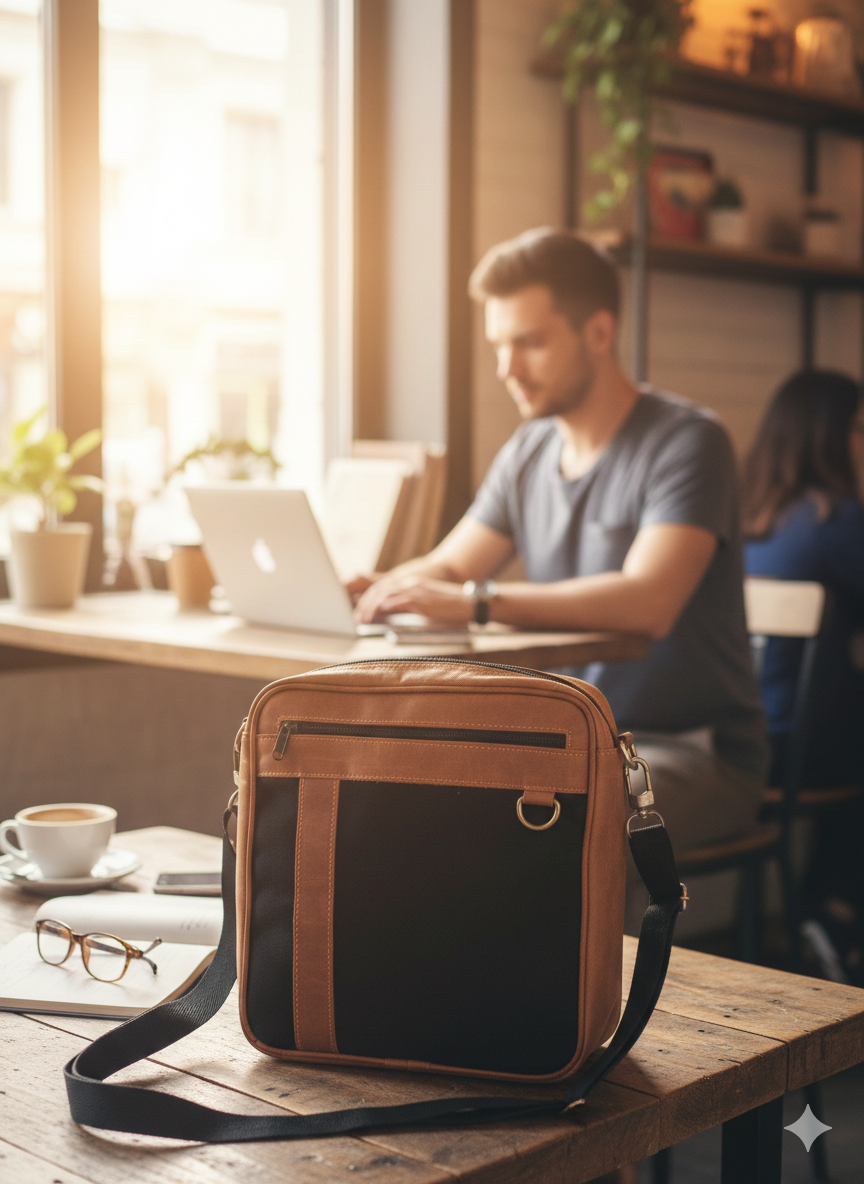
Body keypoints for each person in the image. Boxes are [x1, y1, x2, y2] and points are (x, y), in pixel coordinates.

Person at [351, 227, 768, 899]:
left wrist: (477, 603)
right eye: (498, 346)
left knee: (567, 829)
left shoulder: (690, 442)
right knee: (418, 799)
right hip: (573, 746)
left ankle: (590, 1006)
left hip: (690, 750)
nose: (506, 367)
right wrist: (382, 587)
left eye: (529, 342)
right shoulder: (528, 451)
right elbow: (451, 567)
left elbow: (647, 600)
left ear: (599, 332)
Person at [742, 369, 864, 983]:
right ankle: (834, 914)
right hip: (803, 752)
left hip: (747, 741)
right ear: (833, 436)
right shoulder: (835, 518)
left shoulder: (748, 516)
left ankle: (825, 915)